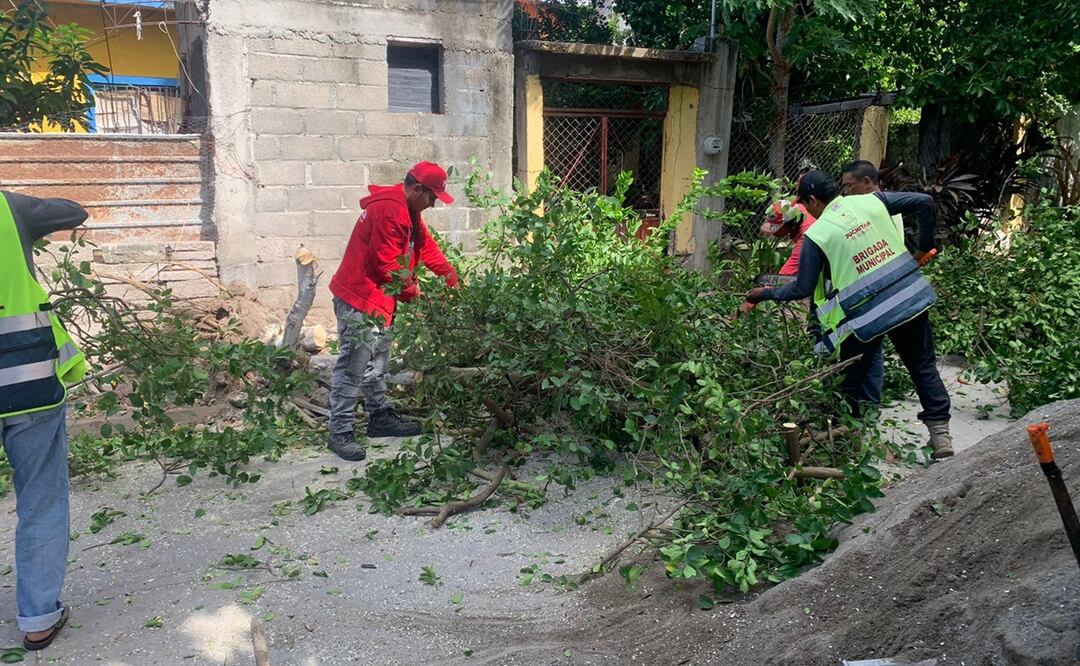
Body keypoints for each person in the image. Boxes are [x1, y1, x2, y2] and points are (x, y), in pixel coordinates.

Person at [745, 170, 954, 459]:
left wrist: (764, 294)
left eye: (804, 203)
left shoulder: (817, 234)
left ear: (813, 200)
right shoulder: (871, 201)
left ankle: (847, 438)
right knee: (922, 367)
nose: (806, 209)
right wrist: (922, 248)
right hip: (909, 296)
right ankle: (941, 436)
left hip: (867, 316)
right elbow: (923, 201)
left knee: (850, 378)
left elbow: (801, 288)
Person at [0, 191, 89, 650]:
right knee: (41, 500)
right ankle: (37, 618)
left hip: (26, 382)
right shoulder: (9, 209)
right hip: (26, 384)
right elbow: (73, 211)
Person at [326, 162, 461, 461]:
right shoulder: (390, 210)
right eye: (432, 197)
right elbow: (386, 264)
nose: (433, 204)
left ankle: (379, 417)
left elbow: (426, 247)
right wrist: (415, 293)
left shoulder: (409, 210)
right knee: (353, 366)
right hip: (360, 297)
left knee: (377, 362)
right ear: (417, 189)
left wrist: (450, 275)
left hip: (380, 298)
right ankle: (339, 430)